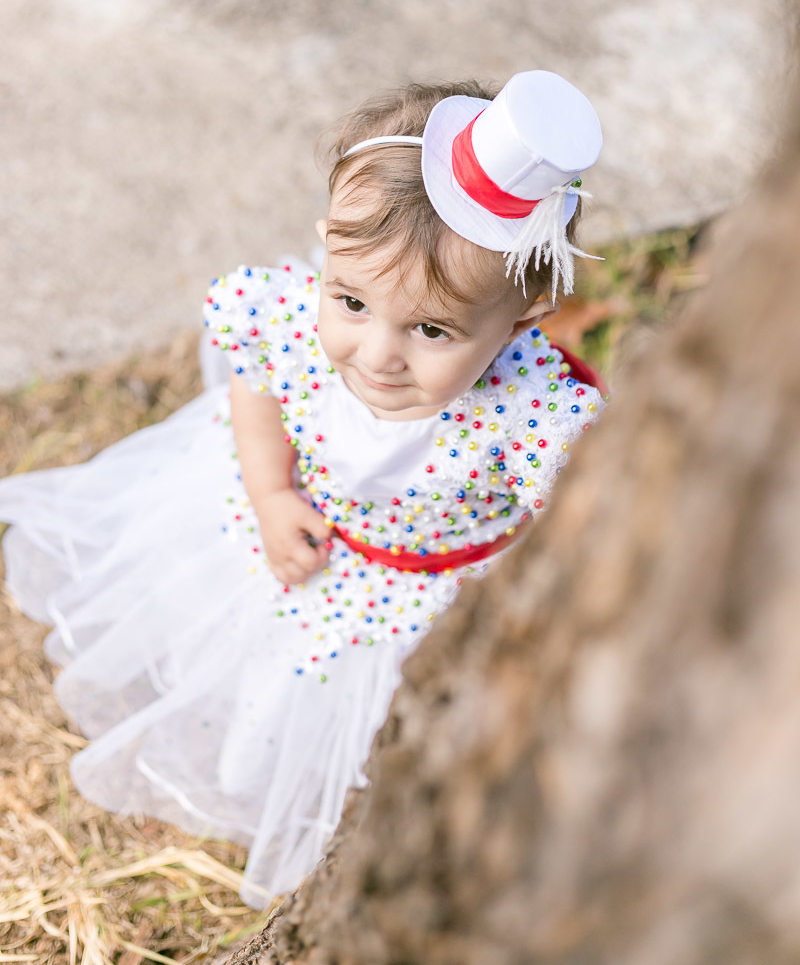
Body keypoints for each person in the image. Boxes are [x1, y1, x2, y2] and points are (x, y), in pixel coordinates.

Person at [0, 70, 607, 907]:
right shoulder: (288, 315)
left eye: (432, 329)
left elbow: (586, 526)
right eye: (351, 300)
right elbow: (255, 386)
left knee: (382, 728)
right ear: (327, 247)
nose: (379, 354)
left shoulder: (533, 414)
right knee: (260, 674)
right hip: (300, 532)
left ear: (523, 318)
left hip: (419, 592)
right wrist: (270, 491)